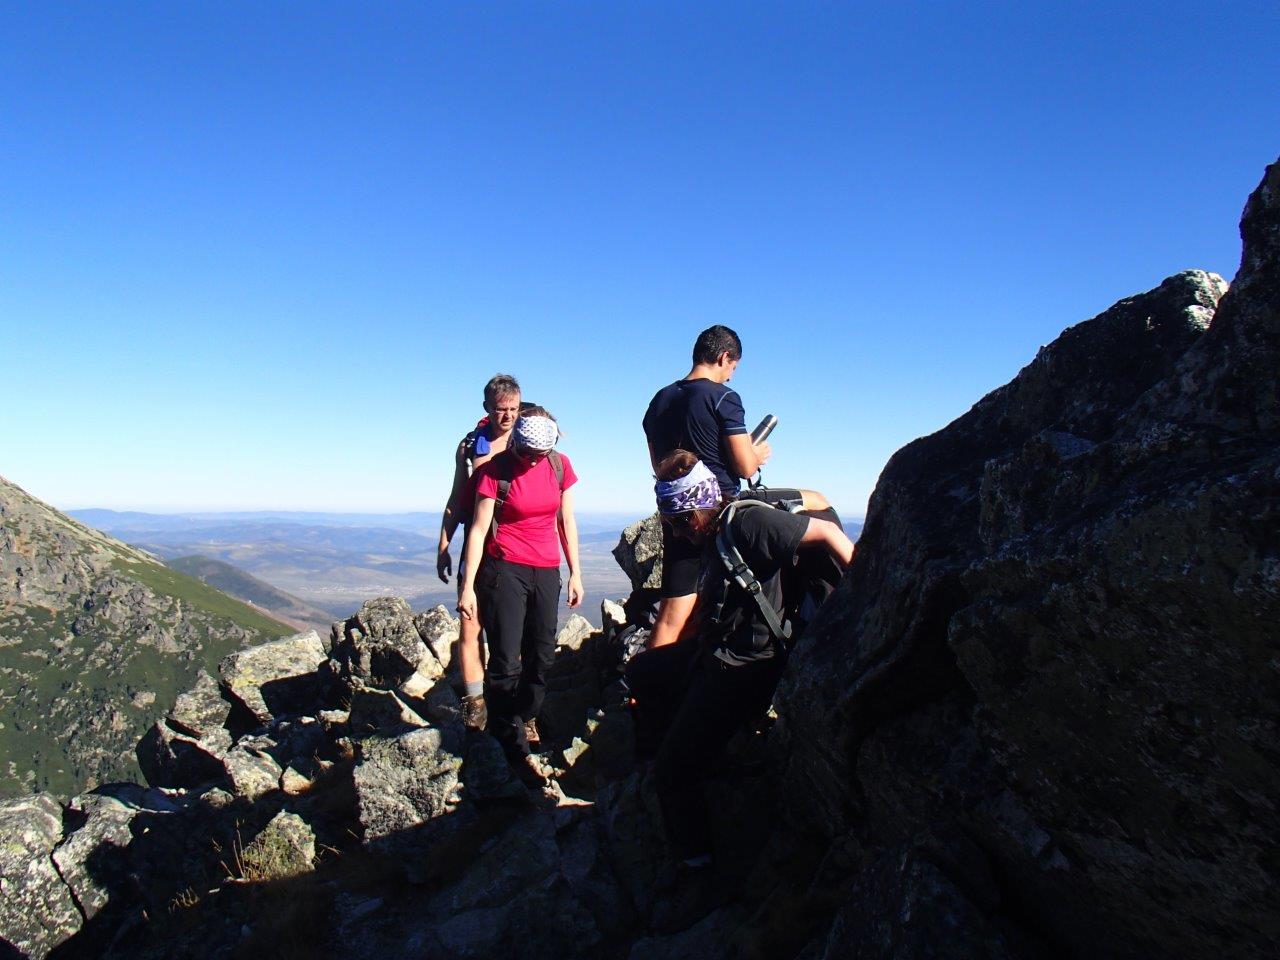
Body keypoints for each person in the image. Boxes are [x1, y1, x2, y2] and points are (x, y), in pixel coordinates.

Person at [646, 450, 854, 929]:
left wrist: (867, 585)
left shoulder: (747, 524)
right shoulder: (719, 529)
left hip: (747, 669)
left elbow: (824, 531)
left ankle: (702, 875)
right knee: (647, 675)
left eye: (680, 521)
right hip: (720, 654)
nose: (677, 532)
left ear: (699, 507)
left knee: (672, 774)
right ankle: (692, 753)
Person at [457, 407, 584, 785]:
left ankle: (524, 714)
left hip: (546, 569)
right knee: (505, 658)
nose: (532, 459)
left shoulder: (559, 466)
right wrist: (467, 586)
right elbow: (479, 530)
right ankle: (506, 738)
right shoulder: (494, 471)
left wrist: (576, 571)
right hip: (504, 569)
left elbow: (566, 520)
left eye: (538, 454)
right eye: (527, 451)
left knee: (542, 654)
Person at [641, 325, 772, 650]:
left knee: (673, 610)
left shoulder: (660, 400)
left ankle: (648, 688)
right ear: (724, 357)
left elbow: (659, 465)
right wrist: (757, 454)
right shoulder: (723, 397)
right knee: (716, 604)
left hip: (677, 515)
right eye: (733, 368)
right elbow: (743, 466)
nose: (730, 376)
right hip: (718, 514)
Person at [436, 374, 523, 731]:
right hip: (479, 548)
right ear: (487, 408)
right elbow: (458, 497)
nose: (508, 417)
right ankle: (475, 704)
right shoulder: (473, 446)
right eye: (500, 410)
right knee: (470, 626)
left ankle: (514, 708)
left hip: (515, 549)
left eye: (514, 409)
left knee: (511, 633)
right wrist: (443, 544)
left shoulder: (530, 441)